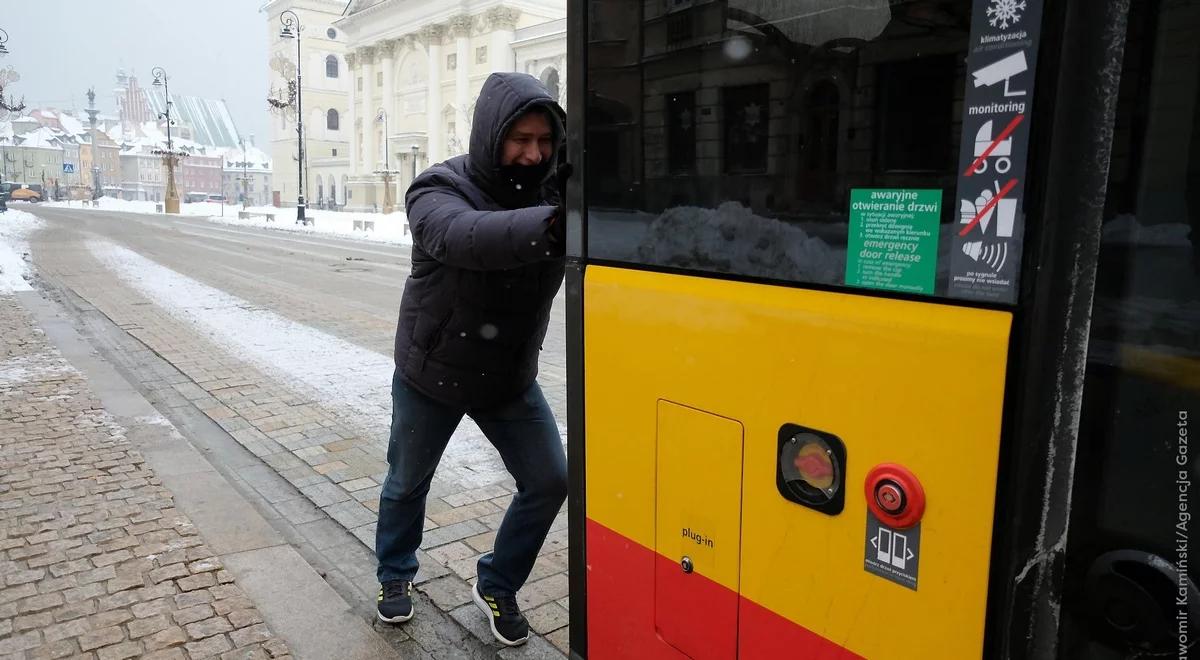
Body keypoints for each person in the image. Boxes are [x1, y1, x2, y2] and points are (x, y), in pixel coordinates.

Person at [375, 71, 570, 648]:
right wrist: (558, 225)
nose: (533, 154)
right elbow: (466, 237)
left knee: (551, 480)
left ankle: (498, 581)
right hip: (431, 371)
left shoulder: (554, 191)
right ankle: (394, 573)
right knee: (408, 481)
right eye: (521, 140)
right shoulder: (437, 188)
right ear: (492, 134)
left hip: (507, 376)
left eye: (545, 142)